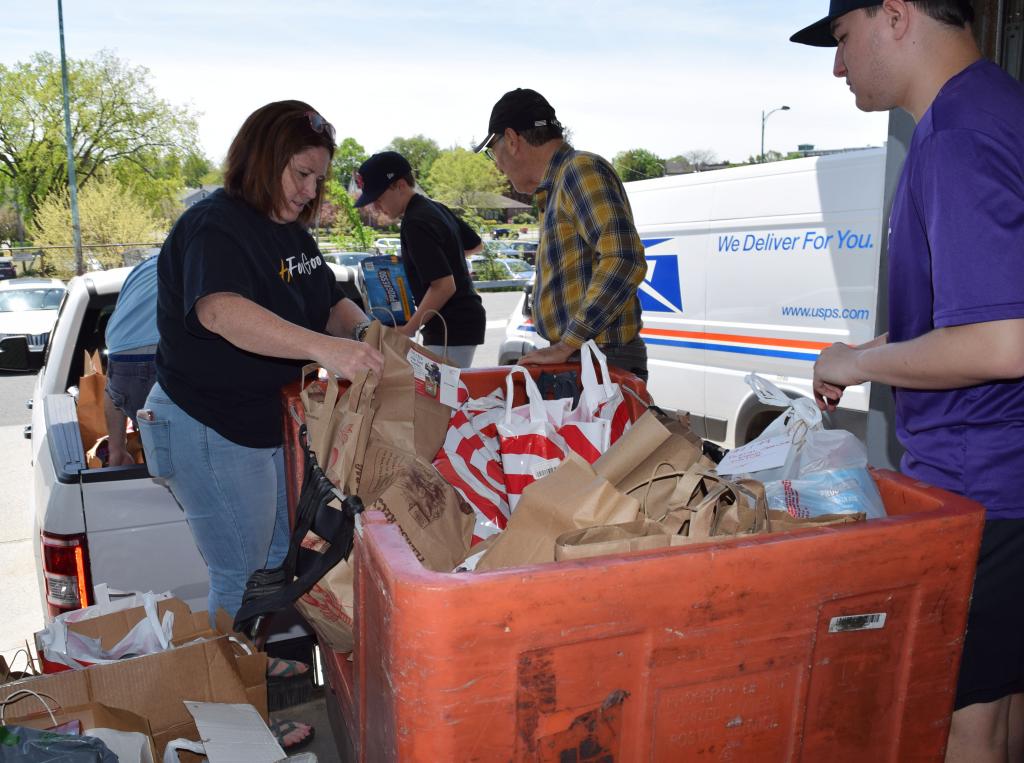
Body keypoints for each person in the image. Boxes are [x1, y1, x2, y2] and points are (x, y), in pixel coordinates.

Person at [792, 3, 1024, 760]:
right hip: (1011, 485)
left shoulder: (955, 136)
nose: (837, 64)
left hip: (983, 487)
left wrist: (857, 363)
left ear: (893, 15)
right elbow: (980, 313)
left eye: (840, 39)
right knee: (1006, 705)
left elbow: (1001, 340)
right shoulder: (998, 107)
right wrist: (867, 350)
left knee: (964, 723)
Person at [141, 102, 384, 747]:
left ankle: (243, 654)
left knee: (277, 556)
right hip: (205, 424)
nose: (310, 192)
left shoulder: (292, 233)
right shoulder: (215, 227)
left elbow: (327, 299)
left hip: (258, 424)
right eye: (301, 175)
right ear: (265, 159)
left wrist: (363, 332)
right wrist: (327, 351)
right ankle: (234, 717)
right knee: (240, 571)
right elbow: (221, 312)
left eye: (318, 181)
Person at [475, 88, 648, 380]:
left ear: (513, 140)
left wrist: (567, 343)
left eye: (494, 151)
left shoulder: (578, 171)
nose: (498, 166)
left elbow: (623, 258)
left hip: (597, 358)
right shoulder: (558, 184)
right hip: (587, 356)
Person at [353, 150, 486, 368]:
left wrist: (408, 329)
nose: (376, 207)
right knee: (439, 397)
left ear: (400, 185)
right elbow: (475, 245)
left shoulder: (415, 222)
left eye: (378, 198)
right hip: (462, 320)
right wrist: (437, 260)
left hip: (449, 324)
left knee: (438, 400)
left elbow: (444, 286)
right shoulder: (434, 207)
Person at [103, 254, 159, 467]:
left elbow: (112, 390)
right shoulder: (200, 258)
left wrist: (116, 448)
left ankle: (118, 454)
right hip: (166, 354)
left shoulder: (142, 268)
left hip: (120, 357)